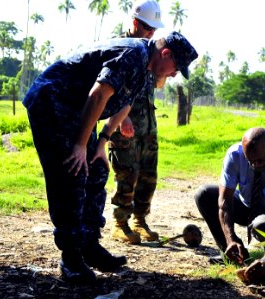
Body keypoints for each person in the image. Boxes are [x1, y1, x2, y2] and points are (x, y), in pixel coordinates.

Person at [23, 32, 198, 284]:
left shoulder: (145, 66)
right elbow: (98, 95)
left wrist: (101, 143)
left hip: (75, 108)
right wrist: (81, 145)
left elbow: (124, 103)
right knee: (72, 172)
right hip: (53, 99)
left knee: (96, 169)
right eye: (175, 68)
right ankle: (71, 258)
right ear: (166, 53)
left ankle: (89, 245)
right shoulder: (132, 55)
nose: (173, 74)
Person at [195, 127, 265, 269]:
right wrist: (230, 238)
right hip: (247, 205)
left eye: (259, 160)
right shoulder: (235, 155)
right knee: (204, 194)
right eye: (249, 161)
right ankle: (232, 253)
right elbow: (224, 201)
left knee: (260, 225)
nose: (254, 165)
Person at [108, 0, 164, 244]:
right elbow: (108, 88)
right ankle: (120, 223)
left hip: (148, 127)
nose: (151, 33)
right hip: (125, 125)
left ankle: (139, 221)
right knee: (126, 174)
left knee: (148, 177)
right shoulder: (117, 46)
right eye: (147, 28)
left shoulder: (149, 49)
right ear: (134, 23)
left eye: (154, 30)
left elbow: (156, 85)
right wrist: (123, 117)